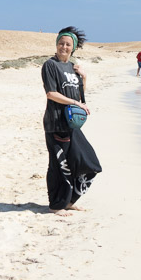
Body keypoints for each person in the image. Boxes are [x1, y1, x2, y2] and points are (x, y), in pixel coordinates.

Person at [42, 26, 102, 216]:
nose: (64, 47)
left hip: (72, 125)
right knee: (59, 166)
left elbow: (80, 97)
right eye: (61, 43)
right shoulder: (50, 65)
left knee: (88, 162)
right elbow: (51, 94)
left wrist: (84, 77)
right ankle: (56, 204)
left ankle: (69, 201)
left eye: (68, 44)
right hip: (55, 123)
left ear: (73, 48)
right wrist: (75, 102)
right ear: (57, 44)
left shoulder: (72, 67)